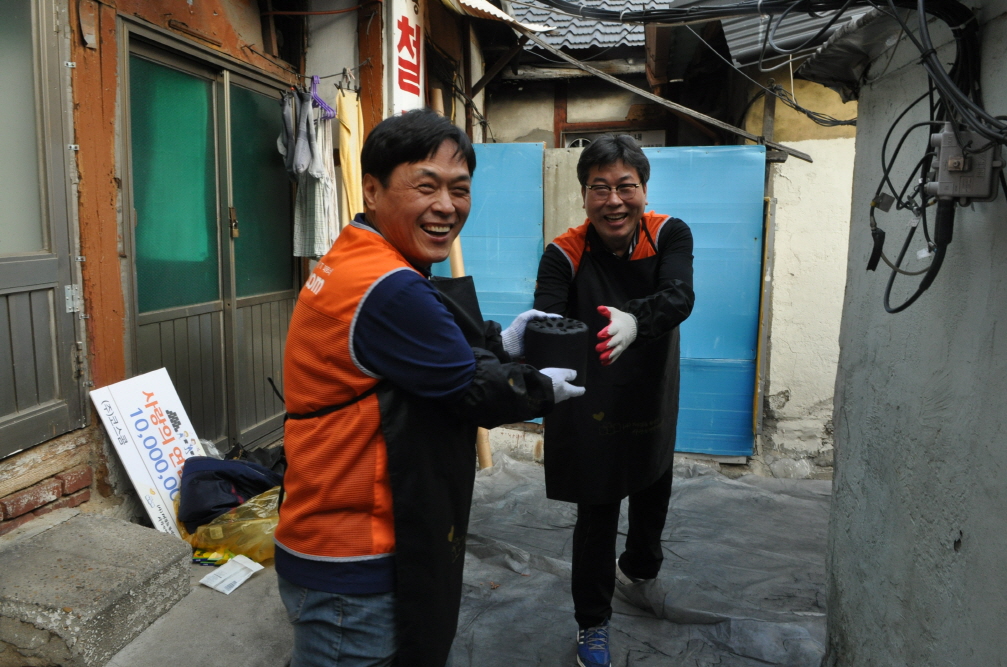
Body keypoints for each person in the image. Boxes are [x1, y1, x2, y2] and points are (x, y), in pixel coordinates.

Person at [275, 108, 584, 667]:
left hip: (320, 527)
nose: (447, 206)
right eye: (427, 186)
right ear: (372, 189)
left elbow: (438, 340)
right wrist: (537, 386)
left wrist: (502, 339)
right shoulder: (387, 287)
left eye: (460, 189)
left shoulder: (356, 254)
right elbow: (472, 385)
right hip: (355, 555)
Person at [533, 134, 695, 667]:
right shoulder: (563, 252)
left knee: (653, 484)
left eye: (626, 186)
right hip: (590, 392)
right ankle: (592, 624)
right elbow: (549, 319)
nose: (614, 201)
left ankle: (642, 571)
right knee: (597, 508)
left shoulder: (669, 233)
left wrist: (636, 319)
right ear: (584, 197)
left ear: (643, 191)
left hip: (650, 383)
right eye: (599, 188)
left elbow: (679, 296)